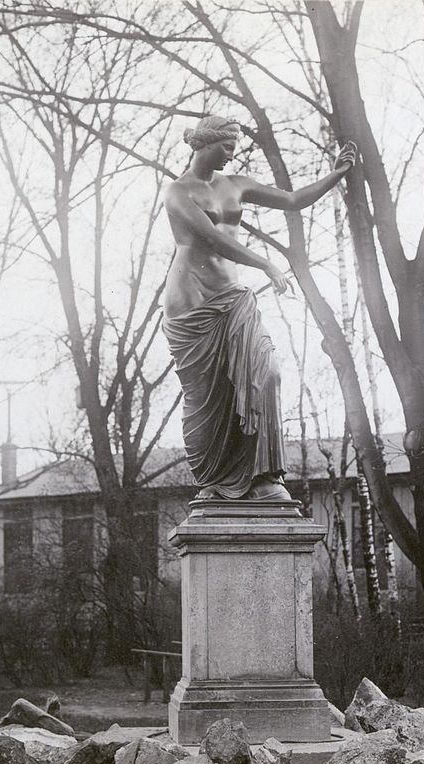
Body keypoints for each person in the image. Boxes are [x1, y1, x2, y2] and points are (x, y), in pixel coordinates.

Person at [163, 115, 356, 500]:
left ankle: (264, 477)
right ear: (205, 143)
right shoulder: (177, 191)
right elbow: (212, 239)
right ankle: (214, 481)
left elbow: (292, 200)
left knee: (265, 372)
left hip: (232, 295)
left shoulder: (236, 185)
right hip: (192, 298)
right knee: (207, 395)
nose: (232, 156)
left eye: (236, 147)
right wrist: (265, 263)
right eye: (226, 147)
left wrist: (337, 175)